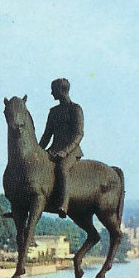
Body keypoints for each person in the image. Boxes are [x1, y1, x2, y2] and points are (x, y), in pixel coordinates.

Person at [39, 78, 84, 217]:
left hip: (70, 151)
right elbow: (47, 135)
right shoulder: (53, 111)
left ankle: (64, 204)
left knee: (62, 168)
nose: (51, 93)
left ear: (61, 90)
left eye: (53, 89)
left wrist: (65, 151)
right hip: (53, 150)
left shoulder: (75, 109)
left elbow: (78, 134)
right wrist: (38, 152)